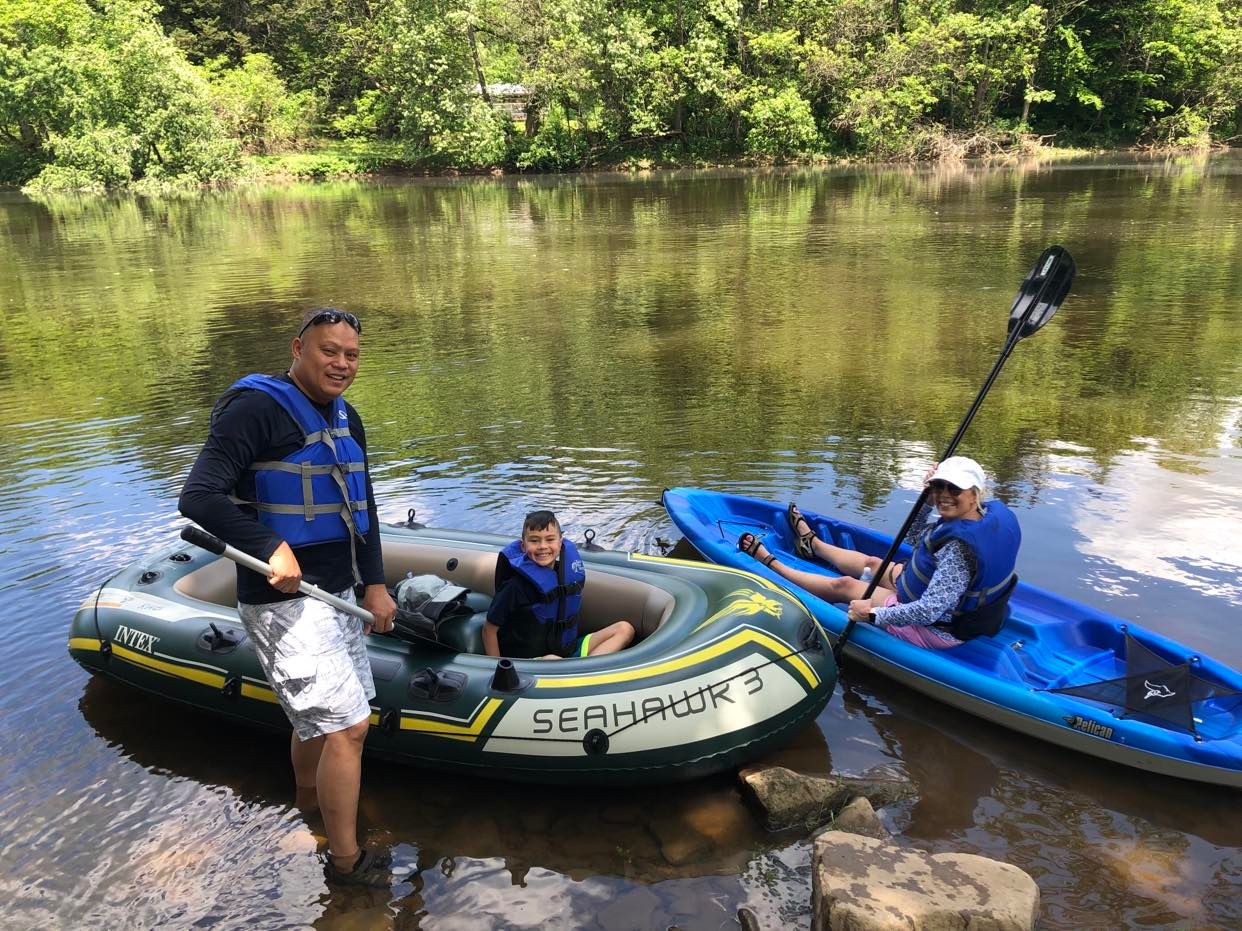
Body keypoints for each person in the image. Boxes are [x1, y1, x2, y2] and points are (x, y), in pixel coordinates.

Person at [179, 307, 398, 887]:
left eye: (351, 355)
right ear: (299, 349)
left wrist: (375, 583)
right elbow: (198, 495)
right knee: (350, 727)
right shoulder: (254, 410)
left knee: (322, 724)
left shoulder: (348, 416)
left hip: (338, 591)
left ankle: (310, 809)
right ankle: (347, 865)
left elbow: (364, 507)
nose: (342, 364)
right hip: (283, 601)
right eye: (330, 351)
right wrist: (269, 544)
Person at [737, 456, 1020, 649]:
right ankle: (814, 546)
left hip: (938, 626)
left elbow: (928, 611)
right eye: (938, 486)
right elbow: (914, 537)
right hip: (930, 594)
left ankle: (774, 566)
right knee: (873, 563)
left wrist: (872, 615)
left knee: (846, 586)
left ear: (974, 493)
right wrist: (925, 499)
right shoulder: (978, 517)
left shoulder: (959, 549)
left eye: (954, 488)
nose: (944, 494)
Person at [483, 510, 635, 659]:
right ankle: (579, 670)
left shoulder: (562, 576)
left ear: (560, 543)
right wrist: (497, 667)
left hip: (567, 649)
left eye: (550, 539)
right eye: (534, 540)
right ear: (523, 546)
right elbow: (489, 630)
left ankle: (580, 668)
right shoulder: (515, 587)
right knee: (552, 659)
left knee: (624, 629)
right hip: (531, 660)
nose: (543, 546)